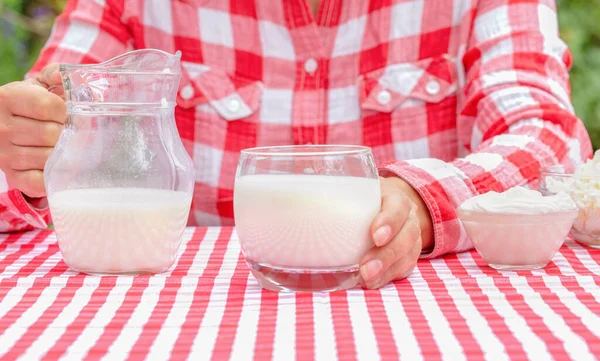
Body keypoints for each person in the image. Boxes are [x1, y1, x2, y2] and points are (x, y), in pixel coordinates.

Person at [0, 0, 591, 289]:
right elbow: (45, 120)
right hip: (185, 319)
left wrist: (422, 198)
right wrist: (24, 151)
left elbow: (549, 140)